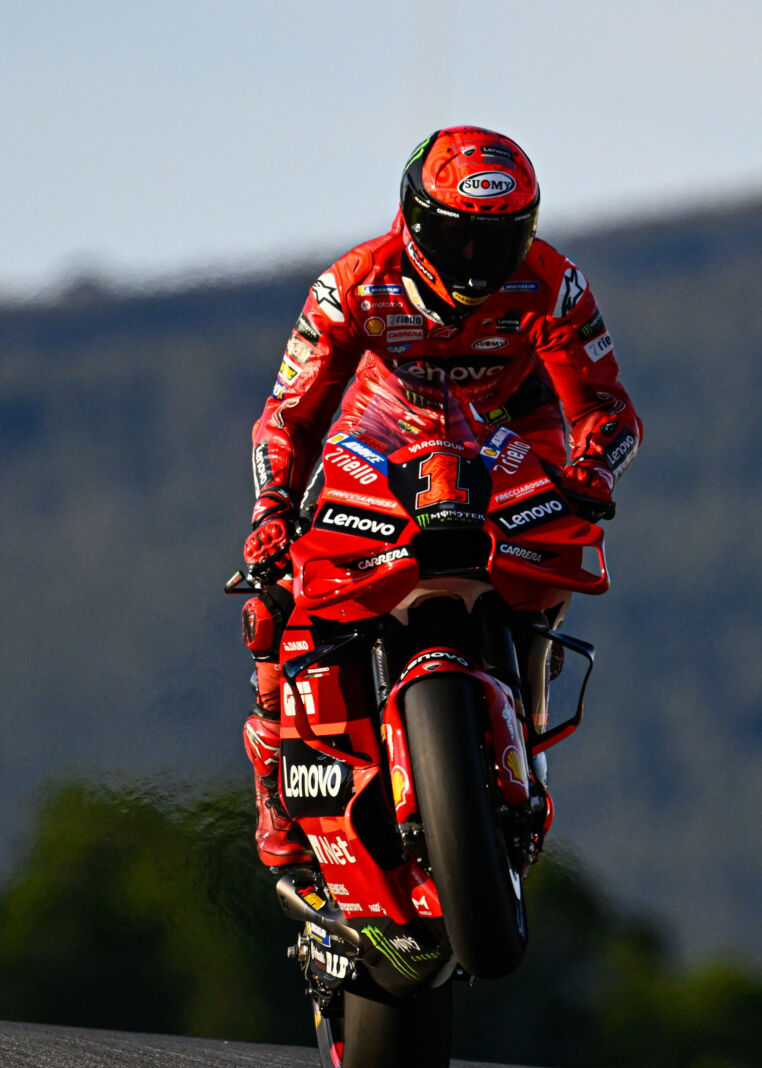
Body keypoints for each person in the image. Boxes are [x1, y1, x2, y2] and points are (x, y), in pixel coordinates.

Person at [240, 125, 642, 870]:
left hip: (508, 425)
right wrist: (270, 513)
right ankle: (277, 794)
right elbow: (289, 414)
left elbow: (607, 411)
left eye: (500, 241)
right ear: (414, 217)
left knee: (556, 548)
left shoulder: (554, 280)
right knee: (274, 599)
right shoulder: (354, 282)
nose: (478, 264)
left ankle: (524, 694)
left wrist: (594, 472)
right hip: (378, 430)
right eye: (460, 240)